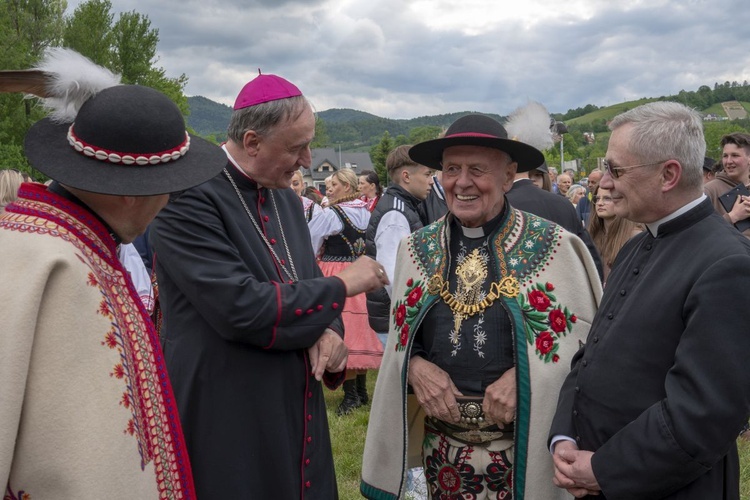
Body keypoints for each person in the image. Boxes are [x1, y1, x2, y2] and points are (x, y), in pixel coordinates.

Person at [0, 48, 228, 498]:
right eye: (168, 188)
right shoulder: (36, 259)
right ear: (130, 192)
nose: (167, 201)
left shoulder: (82, 248)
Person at [149, 73, 388, 499]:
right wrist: (345, 286)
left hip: (295, 401)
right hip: (225, 405)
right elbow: (241, 307)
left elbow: (307, 280)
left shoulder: (284, 198)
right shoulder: (186, 196)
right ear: (254, 142)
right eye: (297, 148)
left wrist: (331, 332)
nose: (308, 160)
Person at [361, 113, 602, 499]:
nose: (462, 182)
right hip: (442, 453)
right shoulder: (416, 249)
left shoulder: (555, 247)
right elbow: (402, 342)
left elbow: (586, 344)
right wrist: (417, 367)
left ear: (508, 177)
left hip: (525, 450)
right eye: (452, 168)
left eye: (477, 169)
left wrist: (526, 377)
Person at [550, 101, 750, 499]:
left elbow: (703, 414)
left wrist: (604, 468)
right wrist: (563, 435)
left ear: (668, 174)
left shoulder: (728, 265)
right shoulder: (635, 246)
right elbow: (591, 353)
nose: (604, 182)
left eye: (616, 169)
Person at [310, 168, 383, 415]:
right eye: (329, 185)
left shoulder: (332, 213)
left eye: (334, 185)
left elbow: (312, 240)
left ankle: (351, 395)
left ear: (348, 187)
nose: (329, 189)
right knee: (360, 330)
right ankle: (360, 391)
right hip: (360, 271)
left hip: (337, 272)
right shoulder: (366, 211)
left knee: (347, 332)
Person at [366, 144, 434, 347]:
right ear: (406, 176)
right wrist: (414, 317)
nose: (431, 181)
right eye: (427, 174)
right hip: (397, 321)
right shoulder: (395, 214)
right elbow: (393, 276)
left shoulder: (404, 206)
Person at [507, 165, 604, 281]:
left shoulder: (500, 206)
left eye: (537, 175)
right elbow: (591, 260)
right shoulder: (563, 204)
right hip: (565, 286)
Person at [587, 185, 643, 283]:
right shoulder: (592, 234)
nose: (600, 203)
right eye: (597, 198)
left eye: (607, 199)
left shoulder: (635, 236)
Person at [704, 133, 750, 237]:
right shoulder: (709, 191)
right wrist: (733, 216)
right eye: (725, 156)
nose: (728, 161)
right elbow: (699, 233)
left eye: (735, 155)